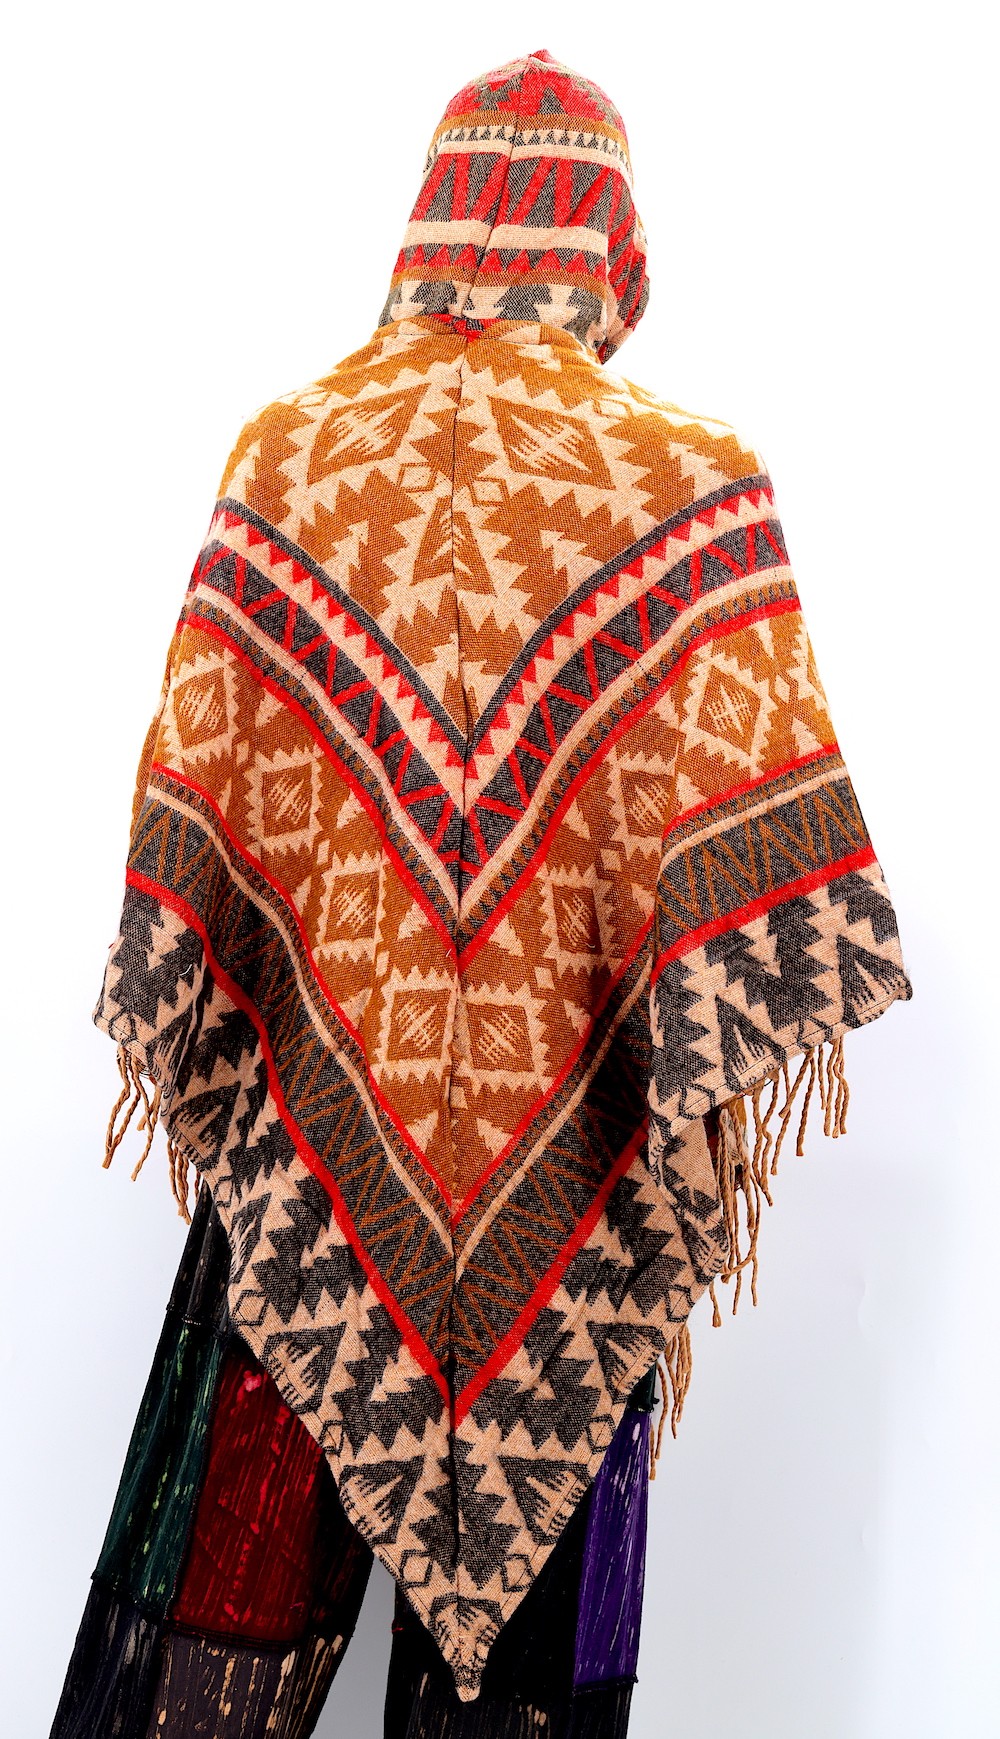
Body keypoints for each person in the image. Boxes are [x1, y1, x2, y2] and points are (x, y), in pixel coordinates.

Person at [51, 46, 911, 1738]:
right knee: (531, 1682)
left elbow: (197, 822)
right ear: (607, 238)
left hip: (303, 1184)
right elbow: (746, 862)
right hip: (574, 1213)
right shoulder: (688, 485)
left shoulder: (292, 457)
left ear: (432, 211)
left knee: (199, 1650)